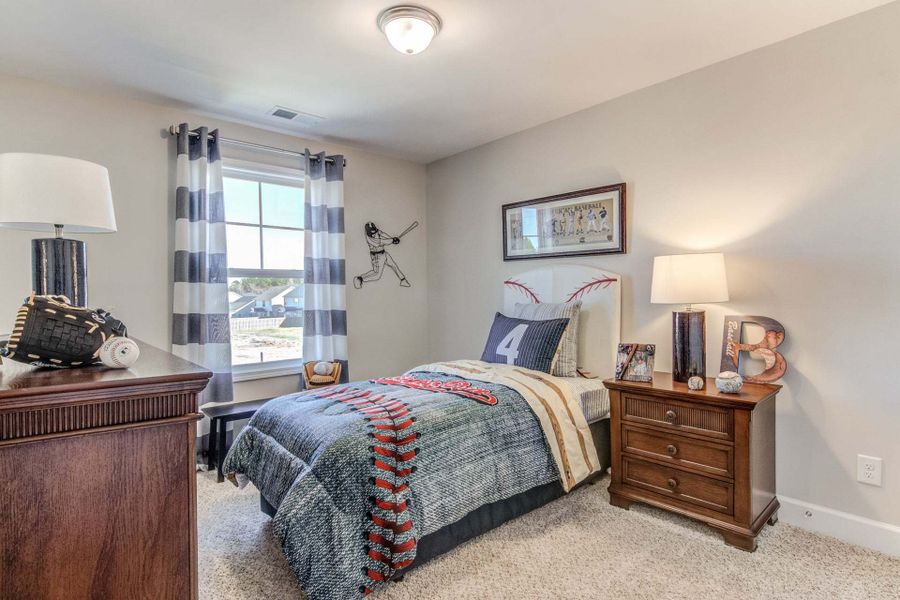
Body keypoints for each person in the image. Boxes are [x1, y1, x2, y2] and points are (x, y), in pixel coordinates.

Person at [353, 222, 410, 288]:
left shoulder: (375, 230)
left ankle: (403, 280)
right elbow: (382, 242)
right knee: (376, 275)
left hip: (384, 253)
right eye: (373, 233)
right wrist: (392, 240)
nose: (374, 234)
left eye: (375, 232)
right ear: (368, 232)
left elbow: (382, 234)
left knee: (393, 265)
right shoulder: (370, 239)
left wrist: (391, 238)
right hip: (377, 256)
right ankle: (360, 279)